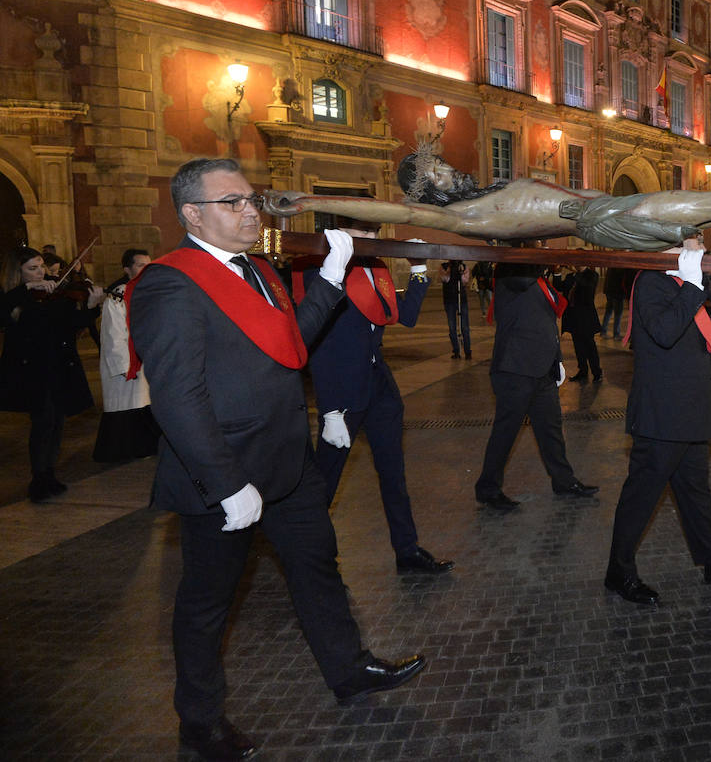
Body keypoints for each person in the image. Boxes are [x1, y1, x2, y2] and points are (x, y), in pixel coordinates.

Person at [127, 158, 424, 761]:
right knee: (208, 604)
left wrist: (334, 276)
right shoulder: (169, 282)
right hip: (224, 478)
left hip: (288, 465)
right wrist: (226, 483)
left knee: (319, 569)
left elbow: (292, 343)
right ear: (193, 215)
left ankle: (348, 669)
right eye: (231, 203)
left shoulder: (259, 269)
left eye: (250, 200)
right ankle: (200, 722)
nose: (249, 211)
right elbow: (178, 396)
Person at [263, 149, 711, 251]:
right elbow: (394, 214)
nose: (451, 168)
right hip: (606, 216)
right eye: (437, 168)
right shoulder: (458, 215)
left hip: (607, 210)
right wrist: (312, 200)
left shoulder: (484, 195)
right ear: (428, 187)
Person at [604, 236, 711, 605]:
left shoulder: (681, 279)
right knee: (641, 497)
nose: (699, 250)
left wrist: (705, 283)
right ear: (667, 247)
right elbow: (663, 332)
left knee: (695, 491)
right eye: (691, 245)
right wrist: (692, 284)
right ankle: (619, 571)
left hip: (689, 410)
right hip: (663, 413)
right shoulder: (651, 281)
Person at [301, 218, 455, 576]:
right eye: (360, 232)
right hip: (342, 394)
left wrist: (418, 269)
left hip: (379, 386)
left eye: (373, 232)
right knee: (325, 481)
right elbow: (316, 343)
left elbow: (409, 316)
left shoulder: (377, 268)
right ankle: (308, 556)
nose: (368, 238)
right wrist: (330, 410)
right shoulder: (323, 269)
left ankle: (407, 551)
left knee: (393, 475)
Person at [474, 260, 599, 509]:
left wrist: (559, 360)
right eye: (539, 243)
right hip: (515, 369)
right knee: (505, 433)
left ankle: (564, 481)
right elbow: (523, 276)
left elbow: (547, 323)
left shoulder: (540, 281)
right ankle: (488, 489)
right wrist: (544, 263)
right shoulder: (509, 272)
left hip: (543, 369)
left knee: (551, 430)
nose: (544, 249)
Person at [1, 246, 104, 500]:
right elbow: (3, 316)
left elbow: (72, 326)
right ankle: (37, 478)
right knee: (43, 422)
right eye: (32, 269)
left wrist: (92, 307)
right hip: (32, 370)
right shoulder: (14, 296)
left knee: (58, 421)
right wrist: (24, 292)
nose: (40, 273)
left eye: (41, 267)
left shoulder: (55, 292)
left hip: (59, 364)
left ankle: (49, 473)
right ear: (18, 272)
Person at [92, 248, 160, 463]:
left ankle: (145, 447)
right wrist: (124, 365)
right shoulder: (118, 295)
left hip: (146, 357)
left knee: (144, 404)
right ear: (127, 269)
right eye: (140, 265)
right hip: (127, 359)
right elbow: (114, 332)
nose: (145, 268)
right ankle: (120, 451)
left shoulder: (148, 291)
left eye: (148, 264)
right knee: (127, 406)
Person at [556, 265, 602, 382]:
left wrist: (576, 273)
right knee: (578, 347)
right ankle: (582, 371)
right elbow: (559, 287)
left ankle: (597, 372)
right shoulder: (571, 276)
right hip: (574, 318)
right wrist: (557, 273)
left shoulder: (592, 275)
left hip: (586, 318)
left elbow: (588, 288)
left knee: (590, 346)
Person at [440, 259, 472, 359]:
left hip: (461, 300)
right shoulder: (443, 266)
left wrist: (461, 272)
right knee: (452, 327)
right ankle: (456, 350)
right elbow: (444, 279)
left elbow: (465, 281)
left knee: (465, 327)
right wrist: (449, 269)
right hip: (449, 300)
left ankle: (467, 351)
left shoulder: (464, 266)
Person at [601, 267, 629, 338]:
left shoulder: (611, 266)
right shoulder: (621, 268)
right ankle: (616, 334)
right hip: (617, 292)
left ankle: (603, 331)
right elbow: (624, 281)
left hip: (609, 291)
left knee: (608, 312)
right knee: (618, 314)